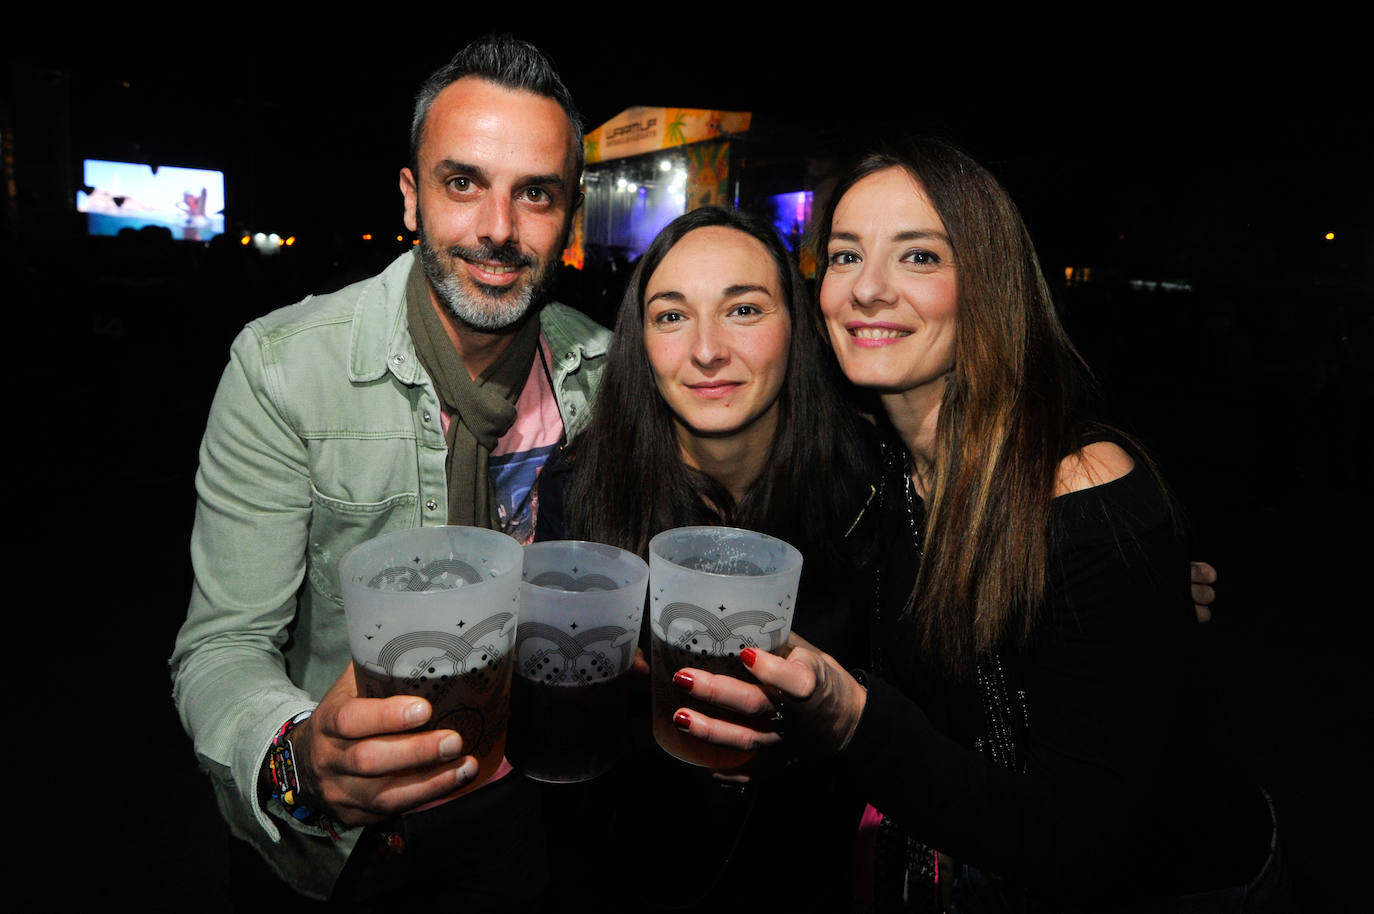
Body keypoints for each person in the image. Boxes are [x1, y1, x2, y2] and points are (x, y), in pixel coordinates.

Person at [671, 140, 1282, 911]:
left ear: (987, 283)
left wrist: (854, 719)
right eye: (847, 256)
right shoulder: (879, 465)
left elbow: (1083, 844)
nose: (869, 290)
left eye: (919, 257)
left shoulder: (1079, 490)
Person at [169, 36, 610, 905]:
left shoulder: (604, 372)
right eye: (462, 182)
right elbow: (222, 646)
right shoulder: (285, 368)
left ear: (569, 216)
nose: (497, 228)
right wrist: (301, 760)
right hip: (348, 849)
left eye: (535, 194)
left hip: (531, 812)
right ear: (411, 196)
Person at [534, 205, 881, 910]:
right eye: (671, 316)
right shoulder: (582, 485)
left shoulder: (871, 485)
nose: (706, 351)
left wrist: (813, 732)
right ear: (640, 341)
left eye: (744, 309)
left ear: (798, 327)